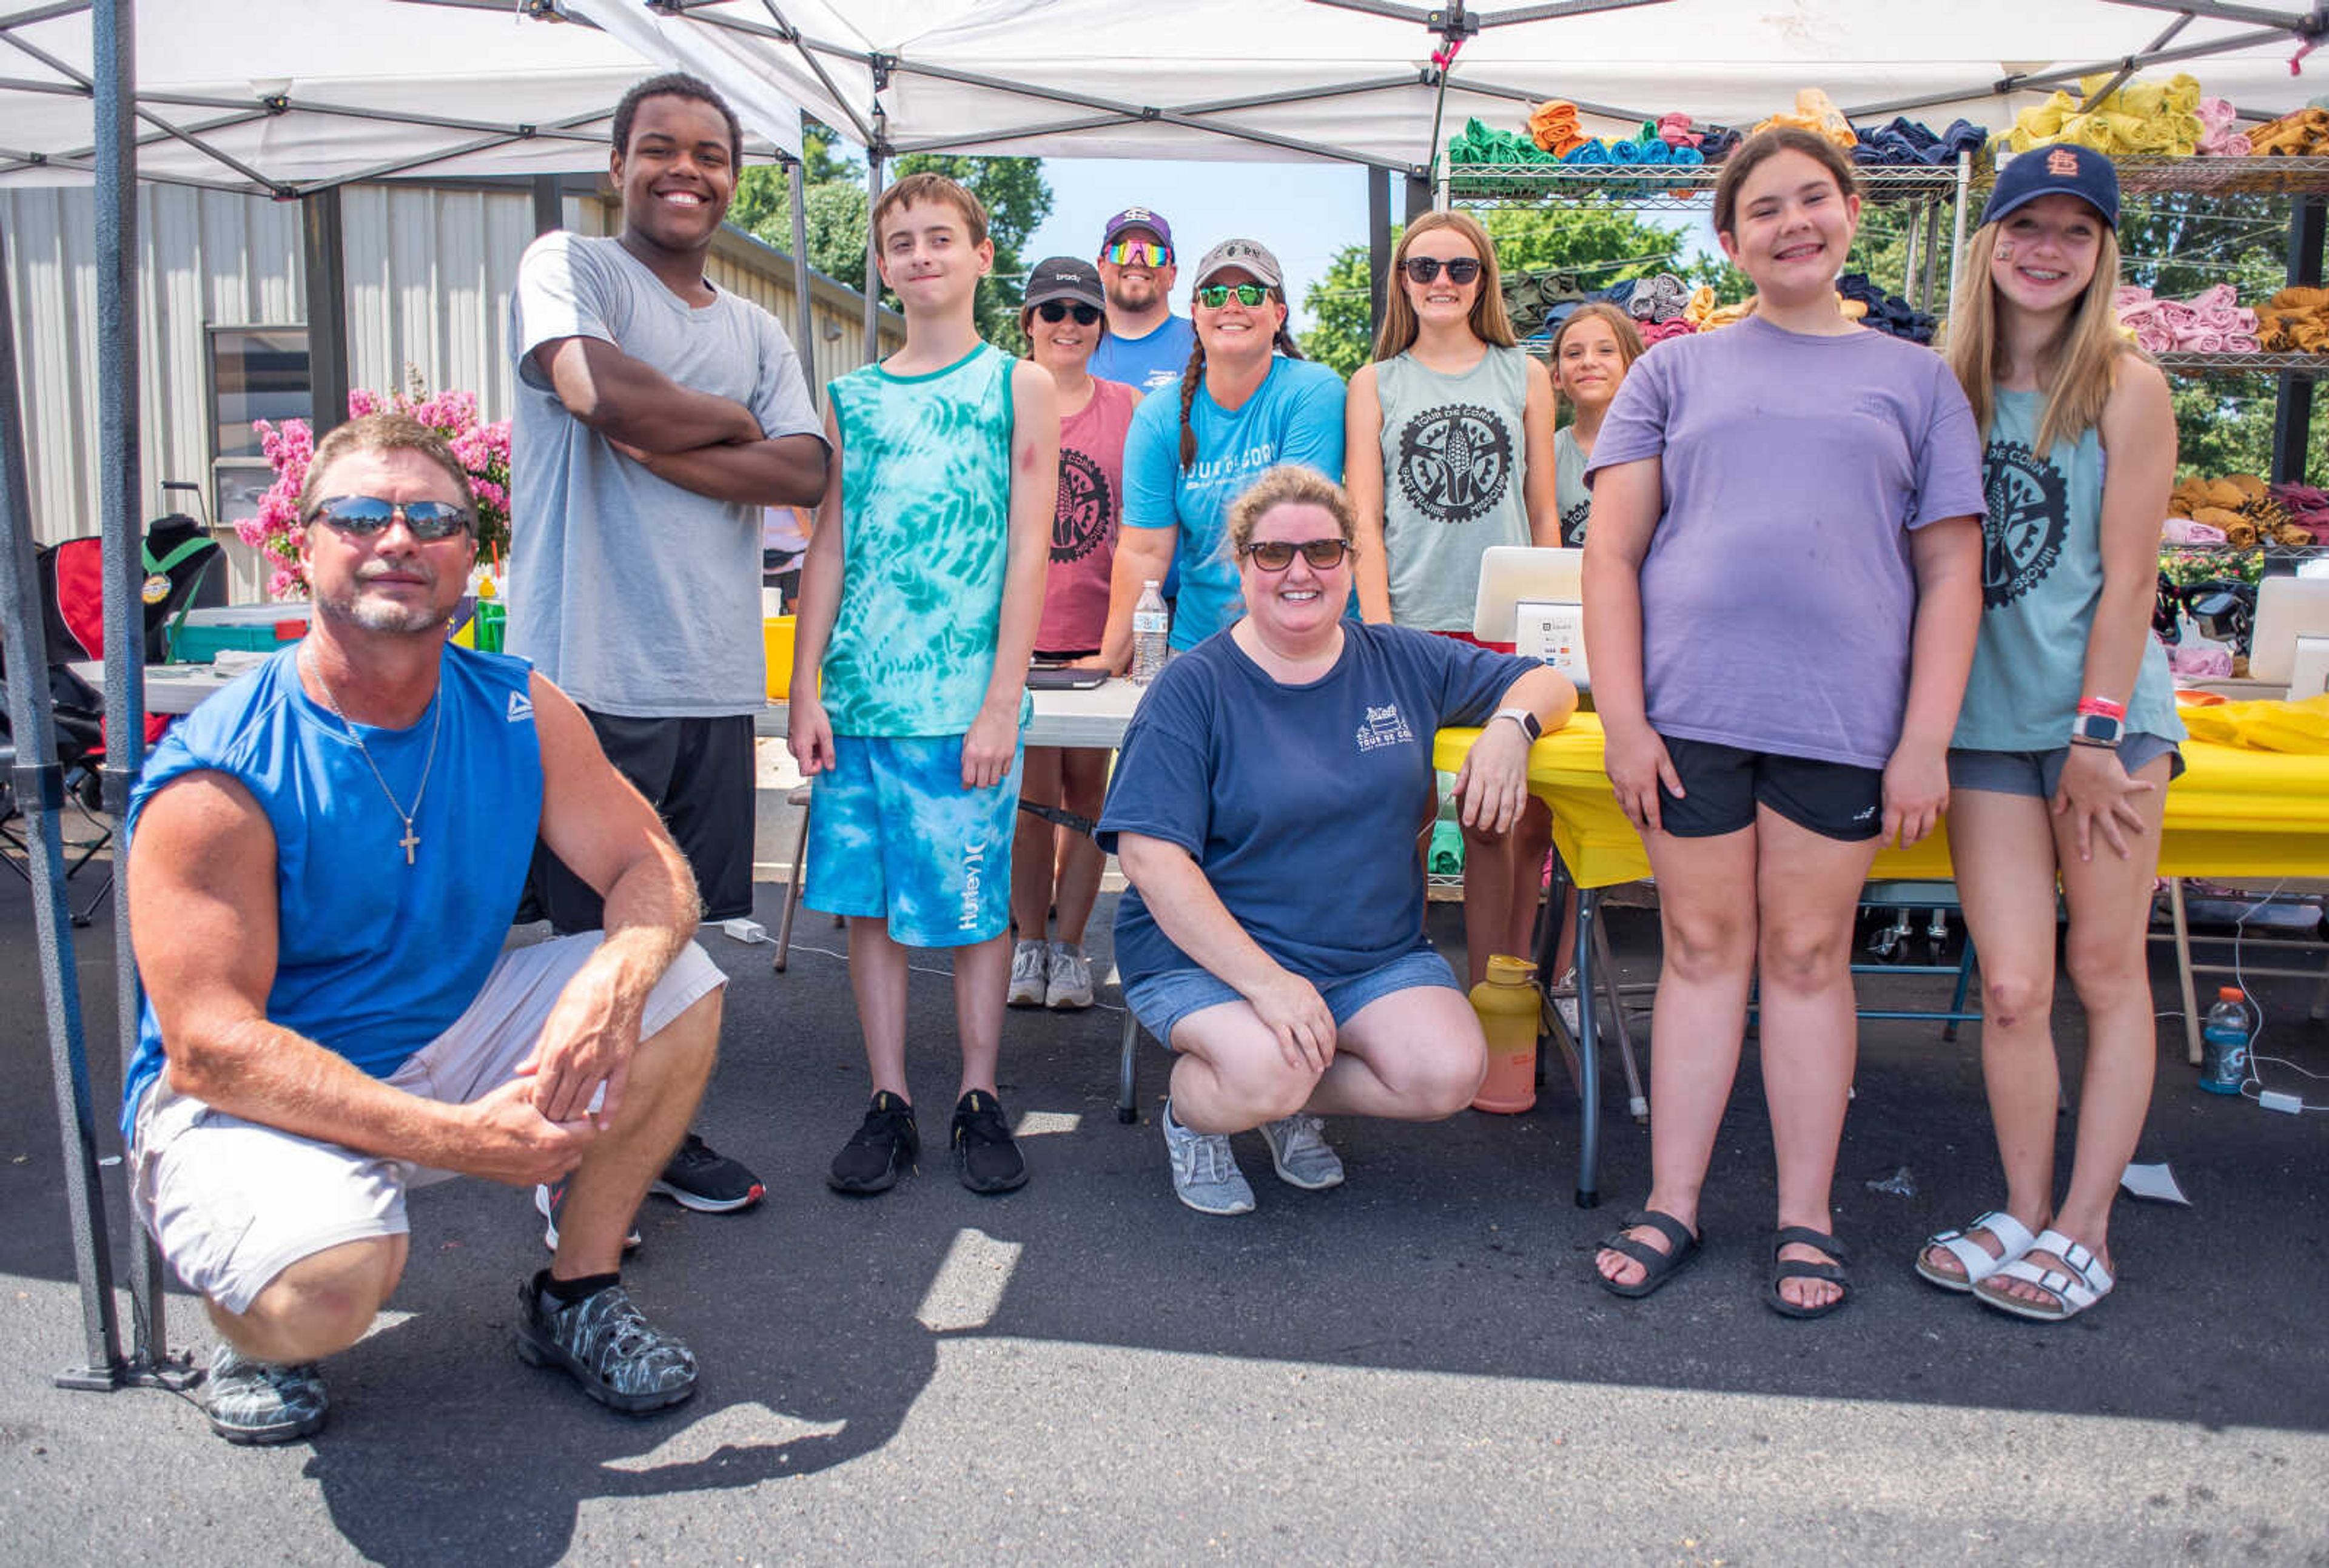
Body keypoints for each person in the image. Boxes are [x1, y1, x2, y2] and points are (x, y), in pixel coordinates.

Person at [123, 413, 724, 1444]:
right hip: (259, 1096)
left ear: (472, 557)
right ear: (299, 544)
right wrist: (467, 1144)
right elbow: (212, 1049)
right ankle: (255, 1318)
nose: (397, 538)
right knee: (332, 1283)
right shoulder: (223, 766)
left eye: (433, 518)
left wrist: (616, 978)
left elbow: (647, 866)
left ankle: (576, 1292)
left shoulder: (519, 706)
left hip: (441, 1031)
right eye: (358, 514)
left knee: (682, 979)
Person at [1581, 127, 1985, 1317]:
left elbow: (1951, 572)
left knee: (1809, 959)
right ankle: (1674, 1199)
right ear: (1730, 238)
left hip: (1841, 719)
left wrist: (1922, 737)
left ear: (1852, 212)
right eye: (1765, 208)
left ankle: (1807, 1214)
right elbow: (1611, 555)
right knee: (1703, 955)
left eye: (1814, 199)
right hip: (1693, 709)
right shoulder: (1671, 373)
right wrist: (1625, 720)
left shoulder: (1918, 383)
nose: (1792, 222)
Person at [508, 72, 828, 1231]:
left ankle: (652, 1128)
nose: (685, 169)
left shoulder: (752, 327)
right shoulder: (570, 267)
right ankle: (568, 1159)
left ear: (735, 179)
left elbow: (804, 471)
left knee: (679, 938)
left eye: (709, 153)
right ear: (618, 166)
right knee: (593, 942)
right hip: (585, 670)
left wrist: (672, 435)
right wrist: (734, 421)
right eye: (659, 149)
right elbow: (593, 387)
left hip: (707, 675)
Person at [1098, 466, 1575, 1215]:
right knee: (1265, 1066)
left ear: (1352, 562)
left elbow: (1548, 681)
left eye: (1323, 551)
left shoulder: (1399, 658)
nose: (1299, 572)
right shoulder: (1193, 686)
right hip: (1213, 958)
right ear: (1241, 563)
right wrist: (1268, 985)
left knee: (1449, 1072)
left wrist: (1513, 728)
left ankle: (1279, 1094)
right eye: (1273, 553)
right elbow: (1150, 859)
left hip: (1366, 955)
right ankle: (1200, 1109)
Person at [1920, 146, 2183, 1323]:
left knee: (2106, 969)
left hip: (2105, 725)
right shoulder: (1939, 386)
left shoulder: (2128, 385)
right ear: (1992, 240)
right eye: (2030, 224)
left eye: (2077, 232)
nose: (2048, 249)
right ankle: (2026, 1208)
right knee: (2017, 984)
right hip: (1981, 724)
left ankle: (2090, 1225)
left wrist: (2097, 731)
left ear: (2102, 254)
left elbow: (2129, 581)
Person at [788, 172, 1058, 1197]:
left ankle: (979, 1096)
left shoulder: (1014, 384)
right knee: (871, 907)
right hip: (862, 699)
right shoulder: (852, 398)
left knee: (976, 906)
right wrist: (806, 688)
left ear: (982, 256)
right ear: (884, 265)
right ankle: (891, 1097)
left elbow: (1031, 549)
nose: (920, 256)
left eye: (940, 238)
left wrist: (1002, 696)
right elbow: (829, 551)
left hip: (963, 704)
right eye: (900, 242)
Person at [1345, 210, 1559, 992]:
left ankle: (1496, 991)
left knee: (1494, 816)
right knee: (1397, 814)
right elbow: (1363, 515)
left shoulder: (1524, 374)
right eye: (1425, 268)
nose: (1441, 282)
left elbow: (1542, 511)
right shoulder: (1375, 382)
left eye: (1460, 269)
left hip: (1500, 628)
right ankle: (1389, 982)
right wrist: (1375, 627)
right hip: (1407, 619)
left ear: (1483, 281)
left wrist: (1550, 624)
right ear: (1403, 280)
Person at [1102, 238, 1346, 668]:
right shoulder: (1159, 416)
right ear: (1195, 314)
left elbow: (1291, 535)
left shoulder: (1314, 391)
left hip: (1306, 645)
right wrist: (1108, 663)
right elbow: (1143, 552)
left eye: (1251, 293)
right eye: (1215, 295)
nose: (1231, 305)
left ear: (1279, 315)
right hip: (1199, 650)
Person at [1006, 257, 1141, 1012]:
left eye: (1083, 313)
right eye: (1051, 311)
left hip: (1100, 640)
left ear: (1101, 325)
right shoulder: (1000, 402)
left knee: (1089, 795)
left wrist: (1125, 638)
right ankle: (1028, 940)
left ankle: (1071, 948)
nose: (1067, 325)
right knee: (1030, 797)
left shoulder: (1127, 407)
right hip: (1020, 639)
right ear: (1028, 322)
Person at [1548, 302, 1645, 547]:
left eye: (1605, 351)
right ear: (1557, 377)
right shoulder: (1546, 455)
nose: (1589, 362)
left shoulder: (1659, 452)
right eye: (1573, 354)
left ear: (1633, 366)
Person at [1087, 207, 1195, 396]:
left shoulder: (1204, 344)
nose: (1137, 261)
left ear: (1172, 275)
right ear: (1101, 267)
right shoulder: (1071, 344)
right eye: (1123, 251)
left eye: (1153, 254)